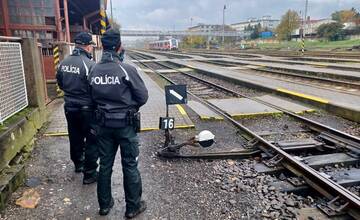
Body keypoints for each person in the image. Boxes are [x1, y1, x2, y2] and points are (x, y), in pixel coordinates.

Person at [88, 29, 149, 218]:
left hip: (103, 126)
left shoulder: (93, 69)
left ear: (102, 46)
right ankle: (133, 207)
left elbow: (90, 99)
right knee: (130, 165)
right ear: (119, 46)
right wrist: (128, 107)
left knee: (105, 165)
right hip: (125, 126)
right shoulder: (127, 69)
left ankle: (104, 206)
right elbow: (143, 96)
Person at [56, 32, 98, 184]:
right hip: (87, 109)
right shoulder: (90, 65)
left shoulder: (63, 62)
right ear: (87, 46)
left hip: (69, 107)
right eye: (91, 46)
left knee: (74, 136)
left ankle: (78, 164)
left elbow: (60, 83)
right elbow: (95, 88)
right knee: (92, 139)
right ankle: (90, 172)